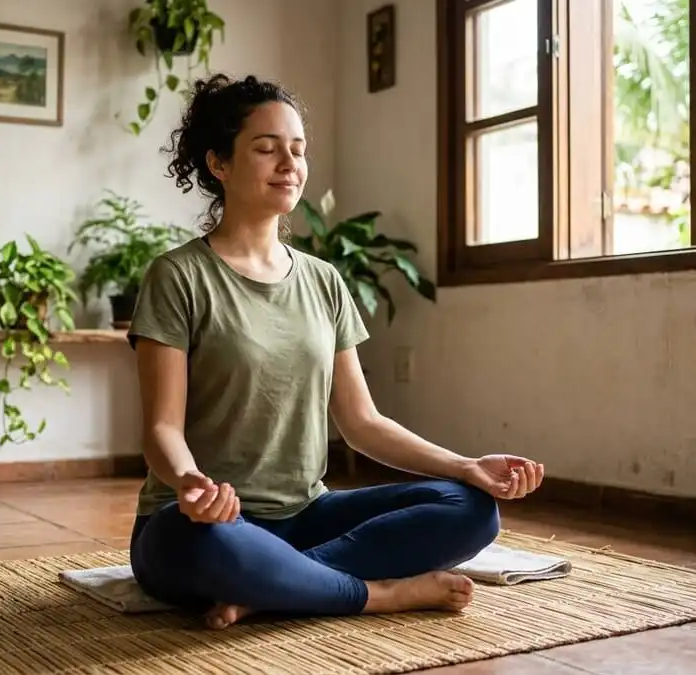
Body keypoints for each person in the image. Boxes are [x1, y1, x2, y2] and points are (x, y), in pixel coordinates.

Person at [126, 73, 545, 630]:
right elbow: (161, 429)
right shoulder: (177, 276)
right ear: (218, 164)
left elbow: (363, 423)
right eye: (266, 148)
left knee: (470, 509)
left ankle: (280, 586)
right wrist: (189, 483)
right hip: (208, 522)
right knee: (191, 544)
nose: (289, 164)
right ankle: (381, 594)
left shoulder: (324, 281)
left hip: (306, 514)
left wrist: (467, 466)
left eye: (298, 151)